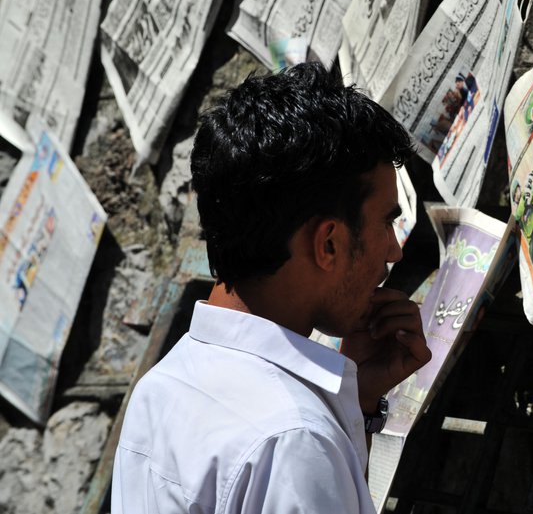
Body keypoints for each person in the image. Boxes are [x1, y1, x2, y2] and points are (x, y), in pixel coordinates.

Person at [111, 63, 431, 513]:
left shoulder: (163, 385)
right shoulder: (293, 440)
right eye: (385, 222)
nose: (394, 251)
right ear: (329, 244)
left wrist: (354, 403)